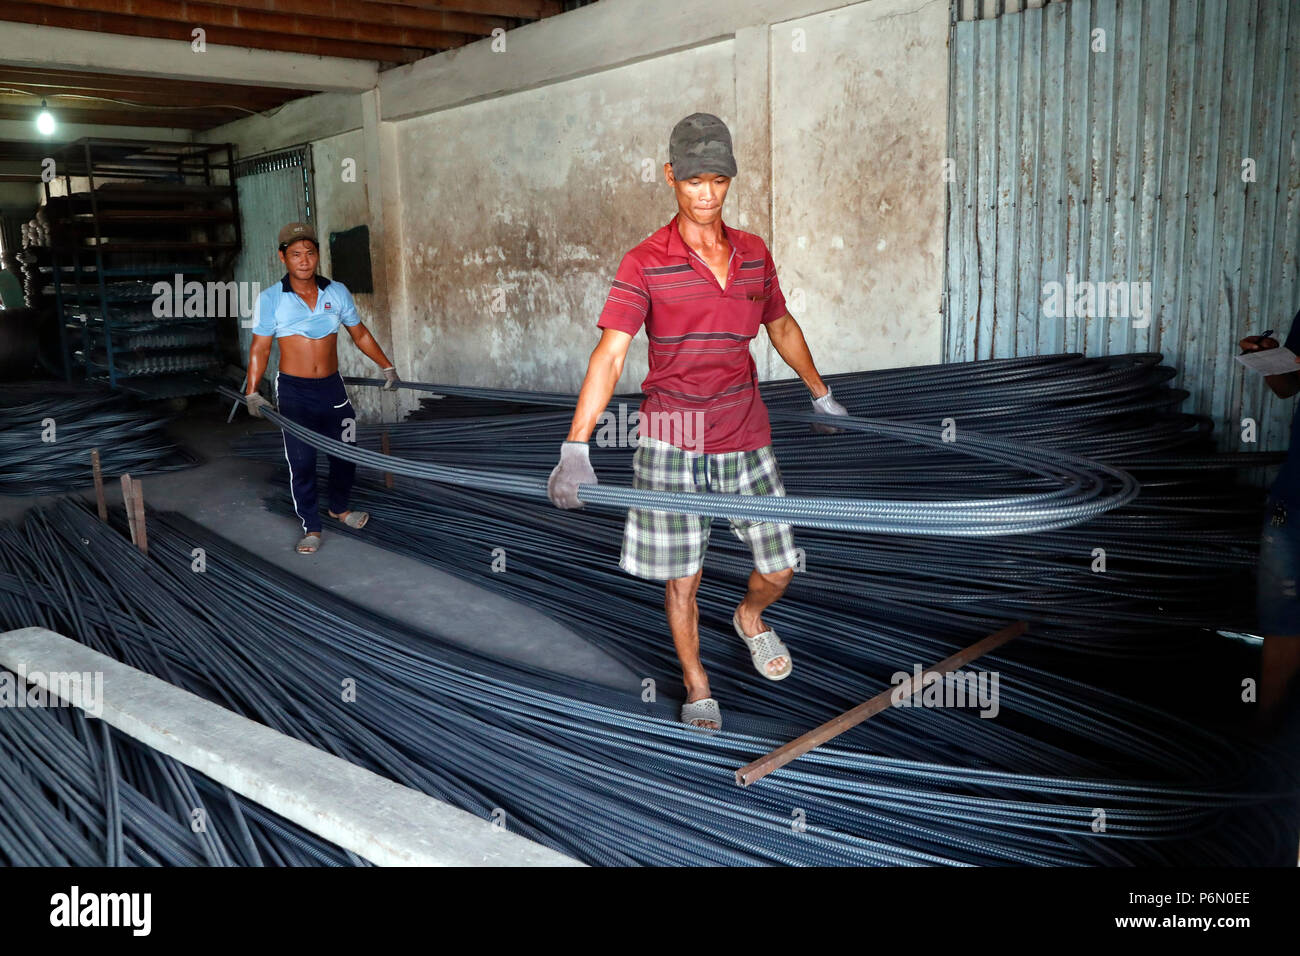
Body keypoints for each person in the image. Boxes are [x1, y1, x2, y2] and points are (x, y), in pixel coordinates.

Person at [547, 113, 849, 730]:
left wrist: (820, 393)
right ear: (670, 178)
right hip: (672, 435)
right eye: (693, 182)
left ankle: (749, 618)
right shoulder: (644, 262)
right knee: (684, 576)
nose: (706, 193)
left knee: (780, 564)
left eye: (718, 179)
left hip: (743, 429)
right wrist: (576, 446)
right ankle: (696, 682)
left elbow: (782, 326)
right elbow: (610, 352)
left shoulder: (754, 253)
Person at [246, 222, 400, 554]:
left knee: (346, 449)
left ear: (317, 256)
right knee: (301, 461)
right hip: (293, 390)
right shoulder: (272, 299)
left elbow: (359, 333)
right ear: (282, 257)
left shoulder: (337, 292)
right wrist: (252, 390)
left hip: (332, 387)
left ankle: (339, 508)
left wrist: (387, 366)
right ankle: (311, 526)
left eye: (310, 253)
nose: (304, 261)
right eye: (296, 254)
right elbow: (260, 348)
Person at [1239, 309, 1300, 725]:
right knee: (1283, 625)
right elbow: (1288, 387)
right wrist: (1268, 359)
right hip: (1295, 496)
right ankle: (1266, 740)